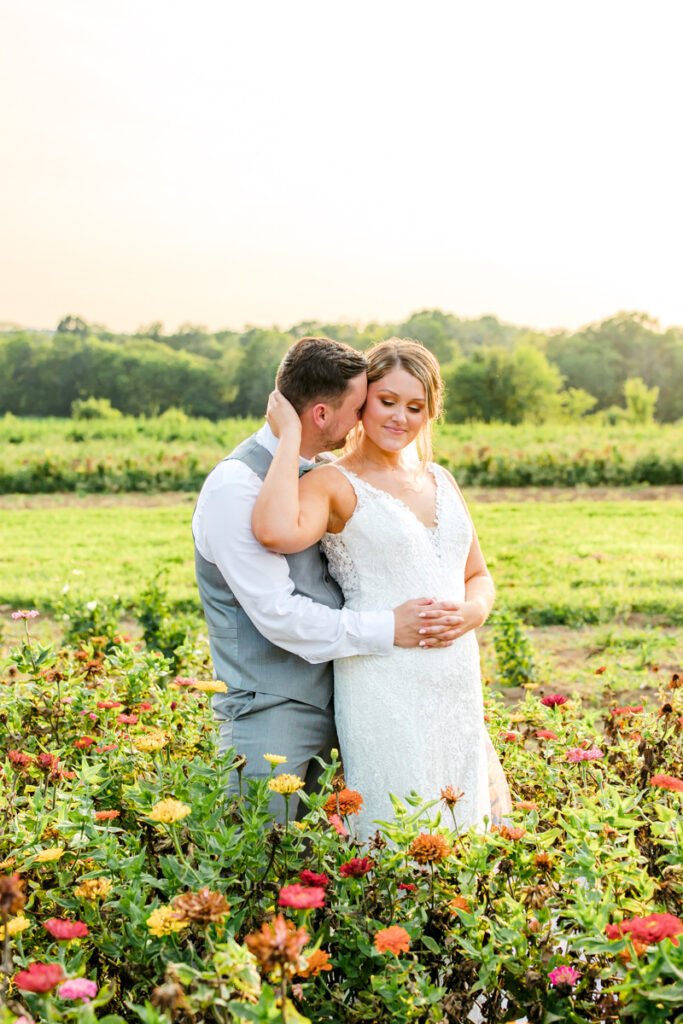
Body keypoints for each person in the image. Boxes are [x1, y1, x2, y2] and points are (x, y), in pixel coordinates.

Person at [192, 336, 468, 821]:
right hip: (269, 715)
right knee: (260, 865)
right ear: (322, 415)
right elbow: (279, 614)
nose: (370, 418)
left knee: (326, 872)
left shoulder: (319, 471)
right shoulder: (236, 487)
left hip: (346, 699)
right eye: (364, 405)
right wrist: (388, 628)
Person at [252, 337, 510, 838]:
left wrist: (473, 613)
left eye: (415, 407)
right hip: (382, 678)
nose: (400, 418)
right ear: (363, 400)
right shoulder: (333, 483)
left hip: (456, 678)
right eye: (387, 401)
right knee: (395, 823)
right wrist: (287, 438)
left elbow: (478, 575)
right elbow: (273, 530)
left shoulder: (442, 479)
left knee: (463, 826)